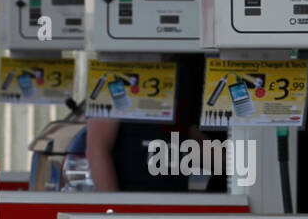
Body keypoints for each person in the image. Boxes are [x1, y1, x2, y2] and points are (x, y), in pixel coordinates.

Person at [85, 54, 225, 192]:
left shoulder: (183, 72)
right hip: (132, 197)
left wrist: (236, 163)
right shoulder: (117, 69)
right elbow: (97, 148)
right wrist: (113, 207)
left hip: (174, 195)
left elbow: (187, 135)